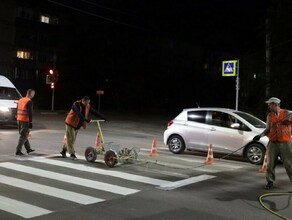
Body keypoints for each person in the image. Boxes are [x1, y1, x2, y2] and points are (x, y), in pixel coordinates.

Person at [253, 97, 292, 189]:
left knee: (289, 164)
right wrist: (260, 136)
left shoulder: (288, 113)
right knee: (270, 164)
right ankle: (270, 181)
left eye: (270, 104)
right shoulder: (269, 115)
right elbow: (268, 129)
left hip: (286, 143)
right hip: (273, 143)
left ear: (275, 104)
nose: (268, 106)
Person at [60, 96, 108, 160]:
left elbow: (94, 112)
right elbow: (78, 113)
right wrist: (85, 119)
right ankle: (72, 154)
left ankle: (63, 151)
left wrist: (103, 117)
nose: (87, 104)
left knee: (72, 140)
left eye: (88, 103)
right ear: (83, 101)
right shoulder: (76, 104)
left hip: (77, 125)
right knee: (71, 139)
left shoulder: (87, 106)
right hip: (70, 123)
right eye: (86, 103)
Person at [16, 89, 36, 155]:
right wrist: (30, 123)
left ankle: (28, 149)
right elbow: (30, 113)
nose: (34, 95)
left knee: (24, 135)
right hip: (25, 121)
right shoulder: (29, 101)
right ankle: (18, 150)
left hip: (19, 119)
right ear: (31, 94)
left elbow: (17, 109)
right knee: (23, 136)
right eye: (33, 94)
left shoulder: (20, 100)